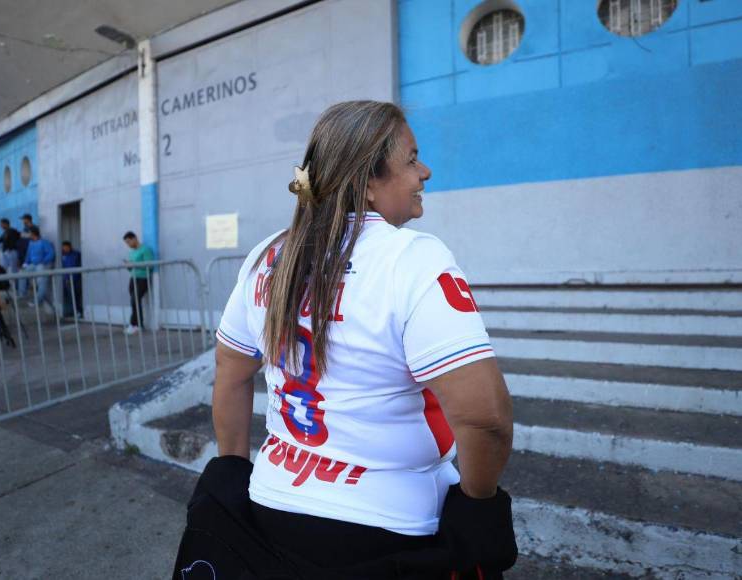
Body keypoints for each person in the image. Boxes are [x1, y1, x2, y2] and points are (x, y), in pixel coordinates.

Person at [182, 101, 516, 579]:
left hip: (272, 502)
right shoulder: (414, 259)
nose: (425, 171)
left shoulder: (267, 254)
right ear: (369, 180)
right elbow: (486, 417)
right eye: (411, 159)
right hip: (390, 526)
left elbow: (230, 374)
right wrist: (478, 505)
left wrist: (232, 468)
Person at [122, 231, 154, 335]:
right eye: (126, 243)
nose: (128, 245)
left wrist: (134, 264)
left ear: (134, 238)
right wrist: (129, 266)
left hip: (143, 278)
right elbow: (132, 268)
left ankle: (135, 324)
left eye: (128, 242)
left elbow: (149, 265)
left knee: (135, 299)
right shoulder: (132, 252)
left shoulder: (145, 250)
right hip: (133, 278)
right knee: (134, 301)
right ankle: (137, 325)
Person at [21, 225, 55, 312]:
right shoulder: (31, 243)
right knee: (21, 274)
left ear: (33, 233)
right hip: (33, 264)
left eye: (29, 233)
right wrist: (25, 263)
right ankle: (22, 293)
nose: (27, 235)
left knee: (41, 283)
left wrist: (43, 261)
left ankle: (37, 301)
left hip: (43, 265)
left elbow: (51, 253)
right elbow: (28, 254)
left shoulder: (44, 242)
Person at [61, 241, 83, 319]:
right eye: (63, 247)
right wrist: (65, 278)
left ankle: (79, 311)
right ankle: (75, 312)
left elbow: (79, 265)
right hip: (67, 279)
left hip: (76, 278)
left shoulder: (76, 254)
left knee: (77, 295)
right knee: (71, 296)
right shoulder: (63, 256)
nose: (65, 249)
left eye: (66, 247)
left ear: (70, 247)